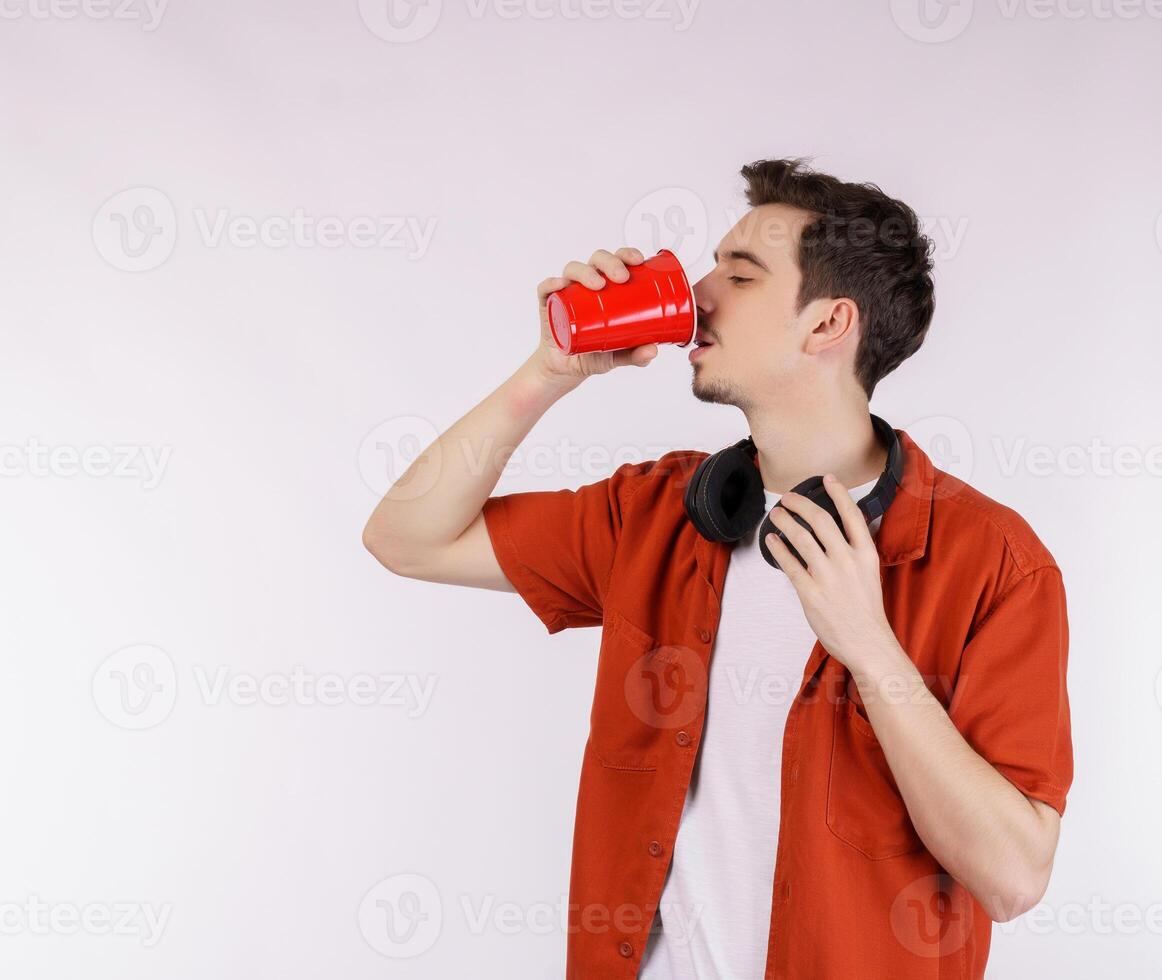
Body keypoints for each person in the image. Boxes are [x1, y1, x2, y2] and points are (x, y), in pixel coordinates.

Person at [362, 157, 1073, 979]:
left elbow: (1015, 877)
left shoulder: (994, 564)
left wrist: (871, 650)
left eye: (741, 273)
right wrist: (549, 371)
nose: (700, 292)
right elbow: (405, 537)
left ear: (827, 324)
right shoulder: (657, 514)